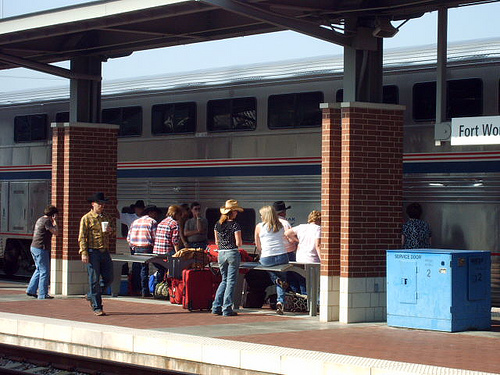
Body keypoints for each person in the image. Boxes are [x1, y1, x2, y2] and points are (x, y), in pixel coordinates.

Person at [78, 192, 115, 316]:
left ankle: (91, 295)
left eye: (103, 204)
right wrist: (84, 252)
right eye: (99, 204)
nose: (102, 206)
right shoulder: (86, 218)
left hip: (104, 251)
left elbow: (113, 231)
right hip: (92, 252)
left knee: (109, 277)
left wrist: (110, 231)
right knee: (94, 279)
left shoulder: (106, 217)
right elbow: (82, 237)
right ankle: (97, 306)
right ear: (93, 204)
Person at [212, 199, 243, 317]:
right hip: (232, 253)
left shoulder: (217, 225)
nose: (237, 213)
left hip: (221, 254)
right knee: (231, 281)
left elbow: (216, 241)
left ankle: (216, 306)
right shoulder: (235, 225)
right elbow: (239, 243)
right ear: (232, 212)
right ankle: (227, 308)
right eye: (236, 211)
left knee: (224, 280)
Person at [255, 205, 289, 315]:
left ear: (265, 215)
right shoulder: (280, 225)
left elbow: (258, 245)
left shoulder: (259, 226)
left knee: (273, 274)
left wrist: (262, 252)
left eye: (261, 214)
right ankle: (280, 301)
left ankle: (275, 280)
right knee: (282, 279)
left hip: (267, 256)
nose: (260, 216)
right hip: (282, 255)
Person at [127, 205, 162, 297]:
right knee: (146, 269)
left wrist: (133, 247)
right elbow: (155, 237)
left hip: (135, 248)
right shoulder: (152, 222)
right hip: (146, 247)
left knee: (137, 268)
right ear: (150, 213)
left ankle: (136, 289)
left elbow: (128, 237)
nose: (156, 215)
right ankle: (145, 291)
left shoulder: (135, 222)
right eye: (155, 213)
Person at [285, 210, 321, 295]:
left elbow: (287, 233)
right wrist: (323, 260)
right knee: (314, 285)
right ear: (319, 220)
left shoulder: (301, 227)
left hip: (300, 259)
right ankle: (313, 305)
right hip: (312, 260)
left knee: (303, 283)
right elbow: (318, 246)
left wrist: (298, 241)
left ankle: (304, 304)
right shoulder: (318, 229)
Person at [26, 205, 59, 300]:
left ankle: (31, 290)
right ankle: (43, 294)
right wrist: (55, 222)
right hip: (41, 248)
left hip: (34, 247)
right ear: (53, 215)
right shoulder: (47, 221)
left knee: (39, 269)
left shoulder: (40, 219)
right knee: (44, 271)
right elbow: (56, 232)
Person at [153, 204, 183, 280]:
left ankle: (158, 287)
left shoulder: (162, 222)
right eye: (180, 214)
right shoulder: (174, 223)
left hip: (156, 252)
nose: (181, 217)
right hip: (167, 252)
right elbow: (175, 241)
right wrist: (178, 253)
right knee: (177, 267)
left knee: (161, 270)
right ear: (176, 214)